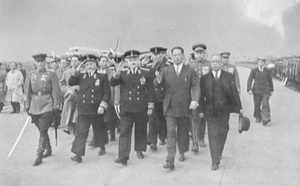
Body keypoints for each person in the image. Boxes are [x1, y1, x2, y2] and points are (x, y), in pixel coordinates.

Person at [154, 46, 200, 170]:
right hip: (170, 107)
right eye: (174, 55)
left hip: (184, 106)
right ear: (171, 56)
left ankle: (182, 151)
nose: (176, 57)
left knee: (183, 132)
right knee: (171, 133)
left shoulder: (190, 71)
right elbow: (159, 86)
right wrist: (158, 81)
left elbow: (196, 86)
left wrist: (195, 100)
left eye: (179, 55)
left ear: (183, 56)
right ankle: (170, 160)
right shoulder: (166, 70)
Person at [110, 50, 155, 166]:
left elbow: (150, 90)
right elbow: (113, 83)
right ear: (126, 62)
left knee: (140, 130)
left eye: (135, 60)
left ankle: (139, 150)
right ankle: (123, 156)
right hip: (126, 108)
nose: (133, 62)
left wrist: (150, 105)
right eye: (130, 60)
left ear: (139, 61)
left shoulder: (146, 72)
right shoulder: (122, 73)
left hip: (141, 107)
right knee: (124, 132)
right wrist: (116, 73)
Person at [199, 54, 242, 171]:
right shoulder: (204, 78)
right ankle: (215, 161)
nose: (215, 64)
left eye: (217, 62)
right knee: (212, 134)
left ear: (221, 63)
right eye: (212, 62)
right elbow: (201, 96)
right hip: (210, 111)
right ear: (210, 64)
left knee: (223, 132)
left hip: (224, 111)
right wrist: (201, 110)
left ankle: (219, 151)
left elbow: (234, 93)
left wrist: (239, 108)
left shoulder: (228, 76)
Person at [69, 54, 110, 163]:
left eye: (91, 64)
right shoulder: (81, 76)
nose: (89, 66)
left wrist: (103, 105)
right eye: (86, 65)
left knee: (99, 129)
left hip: (97, 109)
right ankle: (78, 154)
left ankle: (102, 146)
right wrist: (76, 71)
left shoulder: (102, 76)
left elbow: (107, 92)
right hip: (84, 108)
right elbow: (71, 82)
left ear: (96, 65)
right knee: (82, 131)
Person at [26, 53, 61, 166]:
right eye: (38, 61)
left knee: (43, 129)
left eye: (42, 61)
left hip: (47, 104)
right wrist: (27, 106)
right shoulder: (32, 75)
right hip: (35, 105)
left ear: (45, 62)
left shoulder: (51, 74)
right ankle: (48, 148)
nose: (40, 63)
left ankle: (39, 155)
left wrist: (56, 107)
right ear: (35, 63)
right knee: (41, 128)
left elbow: (56, 91)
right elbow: (28, 93)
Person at [186, 43, 210, 152]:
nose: (199, 55)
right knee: (194, 118)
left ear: (205, 54)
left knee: (203, 118)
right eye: (197, 53)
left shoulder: (209, 64)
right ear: (194, 54)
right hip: (193, 95)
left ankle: (201, 138)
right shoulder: (190, 65)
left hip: (205, 96)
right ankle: (195, 143)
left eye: (201, 53)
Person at [147, 46, 169, 151]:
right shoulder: (148, 67)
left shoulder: (168, 66)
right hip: (152, 97)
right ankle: (153, 141)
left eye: (158, 54)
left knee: (162, 118)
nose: (156, 57)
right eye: (154, 55)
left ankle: (163, 137)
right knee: (152, 119)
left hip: (164, 97)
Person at [247, 57, 274, 125]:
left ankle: (266, 119)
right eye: (259, 62)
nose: (261, 63)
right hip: (256, 90)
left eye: (262, 62)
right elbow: (250, 80)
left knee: (265, 104)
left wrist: (271, 90)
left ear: (264, 63)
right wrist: (249, 89)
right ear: (257, 63)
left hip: (265, 90)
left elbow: (270, 81)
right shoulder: (254, 70)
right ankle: (258, 117)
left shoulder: (267, 71)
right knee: (257, 104)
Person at [59, 55, 81, 135]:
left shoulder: (82, 71)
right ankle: (71, 131)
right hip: (69, 97)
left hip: (79, 97)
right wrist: (67, 90)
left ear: (79, 62)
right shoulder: (66, 72)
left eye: (75, 61)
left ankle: (77, 135)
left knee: (77, 117)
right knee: (69, 115)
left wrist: (78, 87)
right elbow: (61, 84)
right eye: (72, 61)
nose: (74, 63)